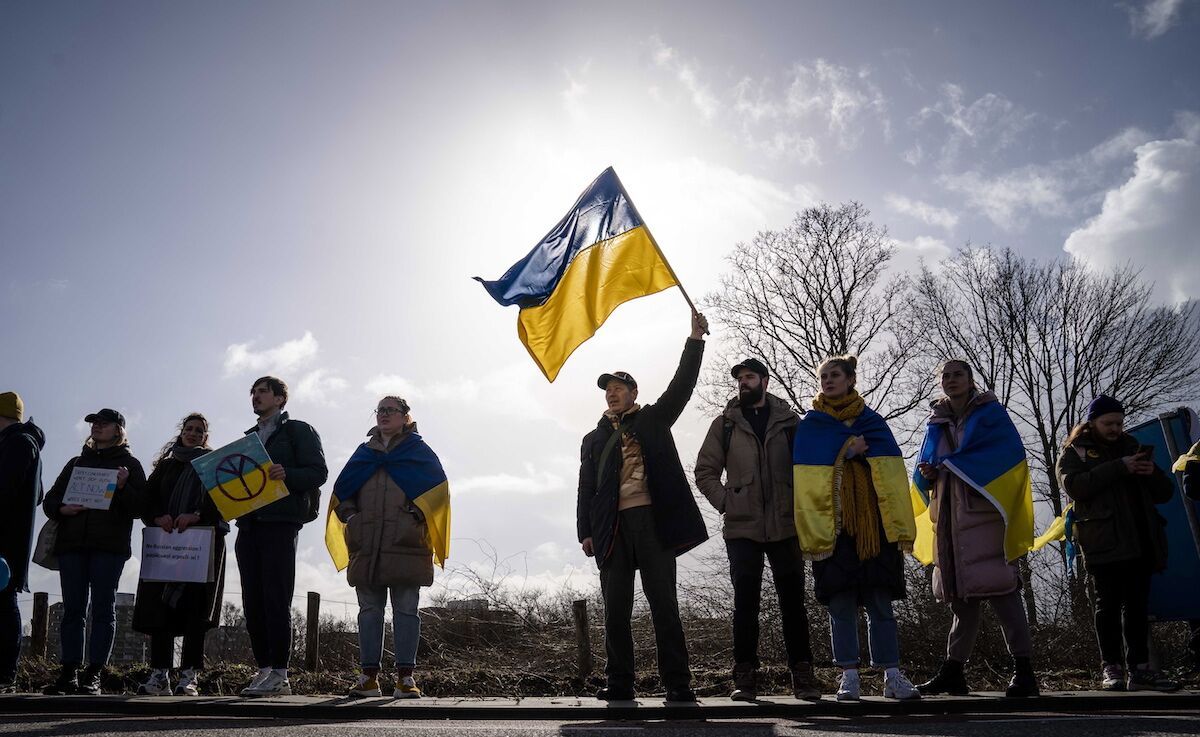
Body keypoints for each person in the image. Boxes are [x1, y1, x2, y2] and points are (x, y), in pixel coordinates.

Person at [577, 311, 709, 702]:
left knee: (664, 605)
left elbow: (682, 387)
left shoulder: (653, 420)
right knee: (615, 609)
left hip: (653, 522)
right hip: (611, 528)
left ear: (633, 393)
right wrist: (584, 531)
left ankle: (678, 685)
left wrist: (694, 340)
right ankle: (619, 683)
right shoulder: (593, 438)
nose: (612, 393)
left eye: (619, 388)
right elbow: (586, 487)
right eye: (608, 390)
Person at [792, 356, 920, 701]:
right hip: (834, 528)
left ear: (851, 379)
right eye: (823, 377)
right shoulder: (813, 425)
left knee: (880, 602)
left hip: (874, 527)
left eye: (835, 375)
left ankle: (892, 675)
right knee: (841, 605)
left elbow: (892, 473)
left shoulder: (873, 422)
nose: (828, 381)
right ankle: (848, 676)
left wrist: (860, 453)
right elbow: (805, 475)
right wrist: (845, 450)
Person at [694, 358, 818, 701]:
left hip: (786, 524)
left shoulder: (791, 422)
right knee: (745, 604)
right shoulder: (726, 424)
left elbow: (812, 467)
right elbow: (704, 471)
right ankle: (745, 678)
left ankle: (804, 678)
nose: (743, 383)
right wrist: (727, 503)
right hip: (742, 528)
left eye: (749, 377)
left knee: (794, 604)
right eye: (739, 379)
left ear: (765, 380)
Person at [914, 360, 1038, 698]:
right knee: (960, 600)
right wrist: (929, 474)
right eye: (946, 375)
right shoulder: (935, 424)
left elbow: (1008, 455)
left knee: (1003, 592)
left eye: (958, 375)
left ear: (970, 381)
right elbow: (928, 465)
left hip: (985, 516)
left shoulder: (991, 415)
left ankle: (1024, 671)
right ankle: (953, 672)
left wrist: (955, 465)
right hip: (950, 520)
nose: (951, 380)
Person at [1058, 395, 1178, 692]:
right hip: (1102, 544)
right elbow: (1075, 487)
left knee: (1137, 607)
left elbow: (1165, 493)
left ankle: (1139, 669)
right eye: (1108, 423)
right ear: (1092, 422)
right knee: (1107, 606)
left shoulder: (1133, 447)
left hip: (1139, 542)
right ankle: (1111, 668)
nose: (1115, 428)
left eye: (1119, 423)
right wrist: (1119, 467)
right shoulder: (1076, 452)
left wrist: (1151, 475)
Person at [334, 396, 448, 700]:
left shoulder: (419, 452)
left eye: (390, 410)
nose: (384, 415)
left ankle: (405, 679)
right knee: (369, 611)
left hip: (406, 543)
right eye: (380, 410)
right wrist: (351, 517)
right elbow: (343, 491)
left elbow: (437, 493)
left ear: (405, 417)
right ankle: (368, 679)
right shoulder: (363, 453)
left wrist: (413, 516)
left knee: (406, 611)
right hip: (367, 543)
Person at [41, 408, 147, 695]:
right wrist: (61, 509)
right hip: (72, 545)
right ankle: (69, 673)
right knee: (73, 610)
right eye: (94, 423)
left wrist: (123, 487)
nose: (96, 426)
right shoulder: (76, 463)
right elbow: (50, 500)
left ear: (119, 430)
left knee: (103, 609)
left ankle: (94, 674)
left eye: (103, 422)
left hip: (109, 548)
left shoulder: (130, 465)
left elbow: (141, 508)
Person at [236, 376, 328, 697]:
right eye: (253, 392)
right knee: (252, 601)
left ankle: (280, 673)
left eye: (262, 391)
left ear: (279, 398)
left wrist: (287, 473)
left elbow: (318, 472)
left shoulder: (298, 430)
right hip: (248, 525)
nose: (256, 396)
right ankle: (263, 670)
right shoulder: (247, 439)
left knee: (276, 597)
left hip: (280, 522)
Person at [132, 413, 226, 697]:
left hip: (202, 544)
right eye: (189, 429)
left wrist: (196, 515)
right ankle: (160, 675)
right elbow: (147, 502)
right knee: (160, 609)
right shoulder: (165, 467)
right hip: (166, 544)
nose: (194, 433)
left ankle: (189, 677)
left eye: (200, 430)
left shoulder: (214, 464)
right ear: (181, 432)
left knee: (195, 612)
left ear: (205, 437)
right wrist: (158, 517)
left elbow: (224, 500)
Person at [0, 392, 44, 693]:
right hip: (11, 538)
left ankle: (5, 674)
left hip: (5, 538)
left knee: (4, 603)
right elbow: (38, 495)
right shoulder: (25, 443)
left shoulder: (17, 443)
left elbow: (4, 487)